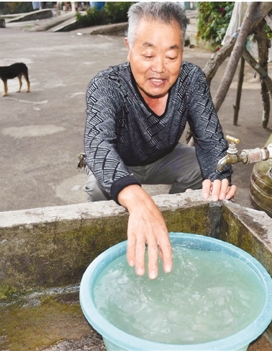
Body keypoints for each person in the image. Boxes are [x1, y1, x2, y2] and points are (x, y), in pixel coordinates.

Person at [83, 2, 236, 280]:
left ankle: (168, 222)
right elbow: (97, 145)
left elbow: (210, 139)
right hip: (121, 161)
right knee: (96, 188)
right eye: (148, 53)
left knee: (204, 170)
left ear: (182, 52)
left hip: (164, 155)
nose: (160, 68)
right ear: (129, 46)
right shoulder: (105, 85)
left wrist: (219, 176)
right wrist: (138, 200)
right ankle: (121, 237)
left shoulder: (191, 80)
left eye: (171, 56)